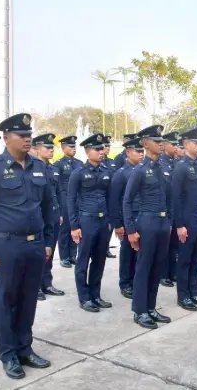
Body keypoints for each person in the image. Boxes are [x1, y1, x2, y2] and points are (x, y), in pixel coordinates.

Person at [0, 113, 54, 379]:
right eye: (22, 135)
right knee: (5, 300)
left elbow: (48, 207)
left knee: (28, 299)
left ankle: (24, 348)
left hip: (35, 245)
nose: (27, 139)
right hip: (6, 245)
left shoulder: (39, 166)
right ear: (7, 138)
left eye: (29, 135)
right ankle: (8, 355)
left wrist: (48, 242)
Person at [123, 125, 173, 329]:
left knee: (157, 267)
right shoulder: (140, 170)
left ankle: (151, 307)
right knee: (143, 267)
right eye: (156, 141)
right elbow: (127, 201)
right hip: (147, 222)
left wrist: (169, 221)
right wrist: (131, 230)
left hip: (162, 223)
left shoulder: (164, 168)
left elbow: (170, 198)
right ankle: (140, 310)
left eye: (161, 141)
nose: (160, 144)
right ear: (145, 144)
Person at [67, 133, 113, 313]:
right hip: (86, 220)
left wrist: (110, 220)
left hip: (103, 221)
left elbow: (110, 198)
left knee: (99, 259)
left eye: (102, 149)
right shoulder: (78, 173)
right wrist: (74, 226)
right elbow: (70, 200)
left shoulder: (106, 172)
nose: (101, 152)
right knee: (83, 260)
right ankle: (84, 297)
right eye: (97, 149)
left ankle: (95, 294)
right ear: (87, 151)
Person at [171, 128, 197, 311]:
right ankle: (183, 296)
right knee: (185, 259)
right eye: (196, 142)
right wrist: (180, 225)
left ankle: (193, 293)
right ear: (186, 144)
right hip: (187, 220)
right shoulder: (181, 167)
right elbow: (176, 198)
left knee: (196, 258)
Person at [109, 137, 144, 299]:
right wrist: (118, 224)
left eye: (142, 151)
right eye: (138, 151)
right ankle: (125, 283)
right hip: (128, 218)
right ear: (128, 153)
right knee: (127, 253)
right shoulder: (121, 174)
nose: (141, 154)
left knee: (140, 253)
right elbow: (114, 201)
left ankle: (137, 280)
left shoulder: (143, 170)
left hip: (142, 216)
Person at [32, 133, 65, 300]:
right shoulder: (32, 168)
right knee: (38, 252)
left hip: (53, 214)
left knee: (50, 250)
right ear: (37, 149)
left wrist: (59, 212)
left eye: (52, 148)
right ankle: (35, 286)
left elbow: (58, 193)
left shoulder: (54, 169)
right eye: (47, 148)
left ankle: (47, 283)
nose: (51, 150)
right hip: (38, 215)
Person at [54, 136, 83, 268]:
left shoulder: (79, 163)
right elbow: (58, 186)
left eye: (74, 146)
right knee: (65, 229)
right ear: (63, 148)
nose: (73, 149)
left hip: (77, 199)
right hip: (65, 199)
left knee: (75, 226)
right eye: (71, 147)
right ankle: (64, 256)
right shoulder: (58, 165)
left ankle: (72, 255)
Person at [159, 131, 180, 287]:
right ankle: (163, 274)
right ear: (165, 146)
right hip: (164, 210)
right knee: (164, 246)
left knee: (174, 244)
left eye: (177, 144)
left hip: (175, 208)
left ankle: (172, 272)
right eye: (173, 144)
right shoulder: (160, 164)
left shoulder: (177, 163)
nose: (176, 147)